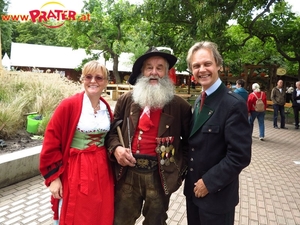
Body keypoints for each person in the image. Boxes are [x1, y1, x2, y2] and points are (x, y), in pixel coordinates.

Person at [106, 47, 192, 225]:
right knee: (120, 221)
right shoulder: (126, 100)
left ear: (166, 72)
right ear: (142, 72)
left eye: (159, 67)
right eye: (149, 67)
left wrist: (178, 173)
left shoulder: (180, 106)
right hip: (127, 173)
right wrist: (116, 149)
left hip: (160, 176)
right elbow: (112, 132)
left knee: (156, 222)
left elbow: (189, 144)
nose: (154, 72)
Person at [184, 41, 252, 225]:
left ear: (218, 65)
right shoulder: (199, 100)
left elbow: (239, 156)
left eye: (207, 64)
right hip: (193, 194)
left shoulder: (233, 104)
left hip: (216, 197)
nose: (202, 69)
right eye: (196, 66)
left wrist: (209, 182)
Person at [39, 60, 114, 225]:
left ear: (106, 83)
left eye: (99, 78)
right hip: (75, 169)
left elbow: (111, 139)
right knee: (77, 215)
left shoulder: (106, 108)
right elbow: (51, 141)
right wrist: (54, 178)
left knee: (100, 213)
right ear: (82, 80)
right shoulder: (69, 105)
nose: (93, 81)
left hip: (102, 171)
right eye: (88, 77)